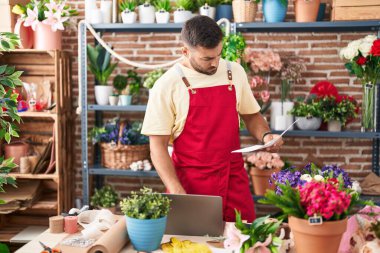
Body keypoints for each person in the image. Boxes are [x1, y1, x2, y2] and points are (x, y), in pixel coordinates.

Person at [141, 16, 284, 222]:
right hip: (191, 183)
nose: (215, 63)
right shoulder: (166, 85)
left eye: (218, 54)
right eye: (207, 59)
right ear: (185, 51)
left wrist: (266, 135)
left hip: (233, 176)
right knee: (197, 243)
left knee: (245, 239)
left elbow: (251, 115)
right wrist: (175, 189)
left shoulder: (234, 72)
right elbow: (157, 148)